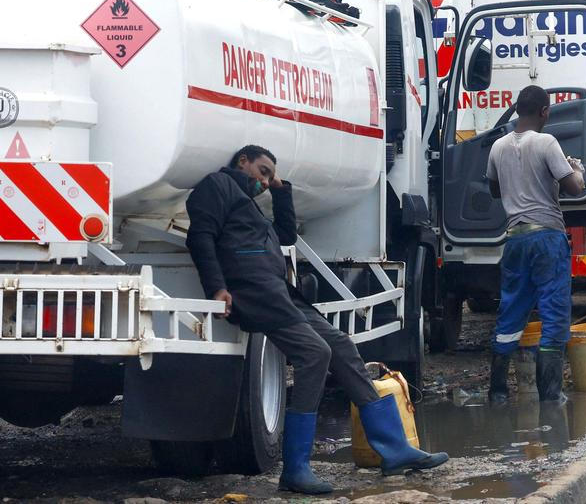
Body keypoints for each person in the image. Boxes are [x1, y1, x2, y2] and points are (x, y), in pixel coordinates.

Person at [185, 145, 447, 495]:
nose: (265, 181)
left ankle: (394, 449)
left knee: (340, 345)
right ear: (241, 161)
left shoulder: (249, 204)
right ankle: (295, 469)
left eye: (269, 176)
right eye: (262, 171)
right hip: (254, 293)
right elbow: (199, 237)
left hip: (279, 293)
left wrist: (280, 190)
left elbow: (286, 236)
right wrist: (217, 288)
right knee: (314, 354)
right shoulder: (217, 186)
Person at [486, 86, 585, 403]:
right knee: (554, 313)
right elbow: (574, 187)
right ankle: (551, 396)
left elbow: (493, 189)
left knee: (511, 310)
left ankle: (498, 393)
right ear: (545, 111)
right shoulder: (546, 142)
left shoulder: (498, 147)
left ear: (516, 109)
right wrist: (577, 169)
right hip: (547, 237)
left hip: (514, 239)